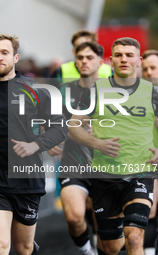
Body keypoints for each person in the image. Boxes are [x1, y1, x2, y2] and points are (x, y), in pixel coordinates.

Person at [0, 34, 67, 255]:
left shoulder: (37, 90)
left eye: (4, 53)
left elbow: (60, 127)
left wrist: (35, 145)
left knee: (24, 248)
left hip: (27, 178)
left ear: (15, 57)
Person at [68, 37, 158, 255]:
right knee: (111, 247)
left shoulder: (153, 93)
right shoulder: (95, 90)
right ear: (111, 60)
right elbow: (73, 126)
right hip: (104, 175)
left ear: (139, 60)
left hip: (140, 171)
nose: (124, 59)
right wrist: (97, 143)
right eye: (118, 55)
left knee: (135, 237)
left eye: (129, 55)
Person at [58, 41, 104, 255]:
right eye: (80, 57)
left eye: (89, 57)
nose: (84, 61)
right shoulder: (63, 92)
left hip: (106, 165)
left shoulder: (113, 92)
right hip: (73, 162)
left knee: (102, 223)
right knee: (75, 217)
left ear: (100, 62)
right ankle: (88, 252)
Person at [141, 49, 158, 255]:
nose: (148, 72)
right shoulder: (136, 95)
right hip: (148, 161)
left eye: (153, 68)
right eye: (144, 68)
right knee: (150, 209)